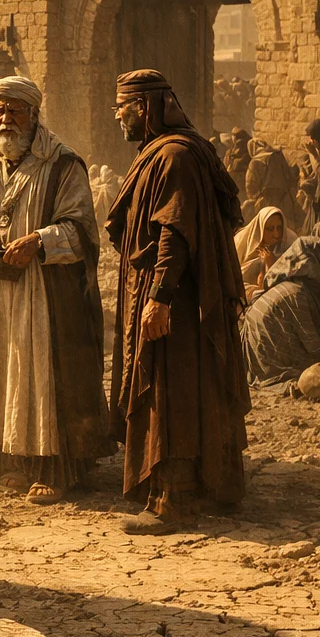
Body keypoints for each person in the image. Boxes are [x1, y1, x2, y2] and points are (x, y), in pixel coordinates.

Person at [0, 77, 109, 503]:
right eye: (0, 111)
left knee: (39, 375)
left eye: (16, 110)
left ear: (33, 115)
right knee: (0, 373)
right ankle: (12, 462)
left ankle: (53, 468)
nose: (6, 119)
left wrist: (38, 241)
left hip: (43, 291)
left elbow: (82, 229)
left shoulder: (63, 163)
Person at [108, 69, 249, 534]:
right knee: (182, 386)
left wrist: (160, 298)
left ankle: (174, 499)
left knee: (172, 389)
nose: (118, 117)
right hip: (172, 295)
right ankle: (204, 486)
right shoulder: (166, 152)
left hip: (178, 302)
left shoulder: (174, 156)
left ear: (146, 108)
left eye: (123, 108)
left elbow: (175, 232)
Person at [241, 222, 320, 385]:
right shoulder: (297, 294)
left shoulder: (300, 288)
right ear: (312, 263)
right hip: (271, 362)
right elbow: (315, 348)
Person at [234, 206, 298, 303]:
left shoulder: (290, 243)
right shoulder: (242, 243)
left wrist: (272, 264)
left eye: (279, 228)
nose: (276, 234)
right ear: (260, 228)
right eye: (270, 229)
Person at [244, 139, 296, 219]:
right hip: (284, 200)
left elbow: (250, 184)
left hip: (265, 201)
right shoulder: (278, 156)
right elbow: (291, 179)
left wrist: (253, 199)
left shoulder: (256, 161)